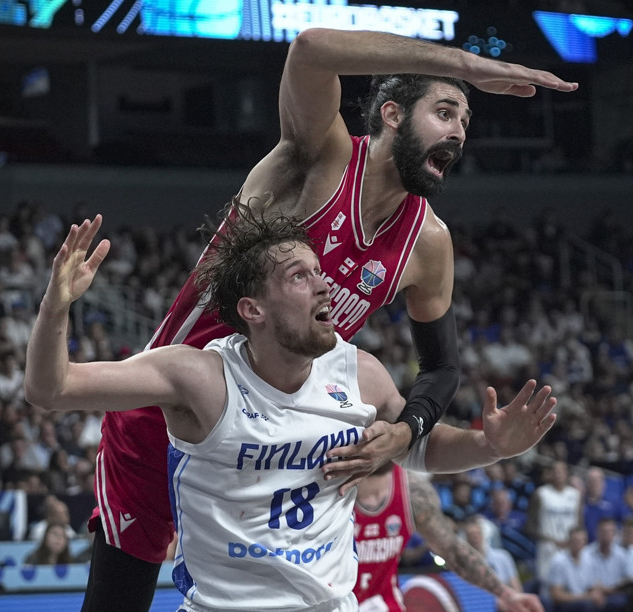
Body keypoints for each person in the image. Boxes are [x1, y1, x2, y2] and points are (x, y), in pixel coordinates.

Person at [80, 27, 578, 612]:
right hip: (168, 408)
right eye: (445, 111)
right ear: (391, 114)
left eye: (466, 120)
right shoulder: (321, 159)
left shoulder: (429, 242)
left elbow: (441, 369)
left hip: (275, 437)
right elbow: (311, 50)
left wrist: (408, 429)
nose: (459, 132)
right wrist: (467, 66)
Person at [24, 211, 558, 611]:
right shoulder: (198, 377)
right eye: (299, 276)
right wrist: (56, 306)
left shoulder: (358, 372)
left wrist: (492, 445)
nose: (325, 283)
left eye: (319, 271)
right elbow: (52, 389)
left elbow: (420, 444)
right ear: (252, 310)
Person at [354, 463, 542, 612]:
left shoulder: (412, 490)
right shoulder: (329, 488)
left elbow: (451, 549)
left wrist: (506, 594)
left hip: (384, 604)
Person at [525, 460, 582, 588]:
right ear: (550, 474)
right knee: (547, 588)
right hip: (548, 548)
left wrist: (573, 542)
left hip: (569, 548)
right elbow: (529, 526)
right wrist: (551, 540)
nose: (558, 475)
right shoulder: (541, 494)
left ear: (567, 473)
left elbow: (579, 524)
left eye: (561, 471)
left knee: (571, 588)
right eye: (555, 471)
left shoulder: (575, 495)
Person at [546, 526, 604, 612]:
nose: (578, 544)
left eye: (581, 540)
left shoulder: (589, 559)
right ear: (568, 541)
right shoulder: (559, 561)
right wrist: (585, 597)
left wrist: (596, 594)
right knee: (586, 605)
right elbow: (556, 595)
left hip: (583, 601)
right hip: (563, 605)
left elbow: (594, 585)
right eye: (575, 540)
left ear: (585, 542)